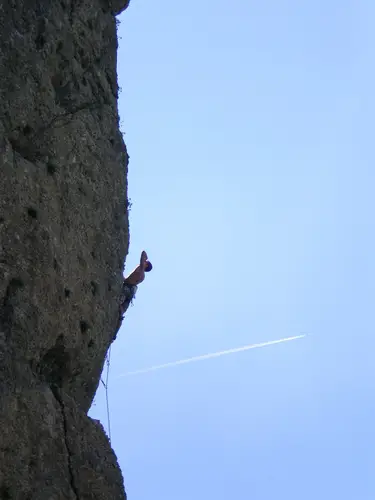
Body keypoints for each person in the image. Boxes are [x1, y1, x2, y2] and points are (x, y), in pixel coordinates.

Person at [117, 250, 152, 329]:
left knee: (118, 302)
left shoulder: (141, 269)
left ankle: (118, 319)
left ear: (146, 265)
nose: (144, 262)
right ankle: (118, 323)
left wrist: (146, 258)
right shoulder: (142, 275)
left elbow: (143, 253)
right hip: (130, 292)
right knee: (121, 311)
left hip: (127, 289)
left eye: (146, 262)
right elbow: (130, 280)